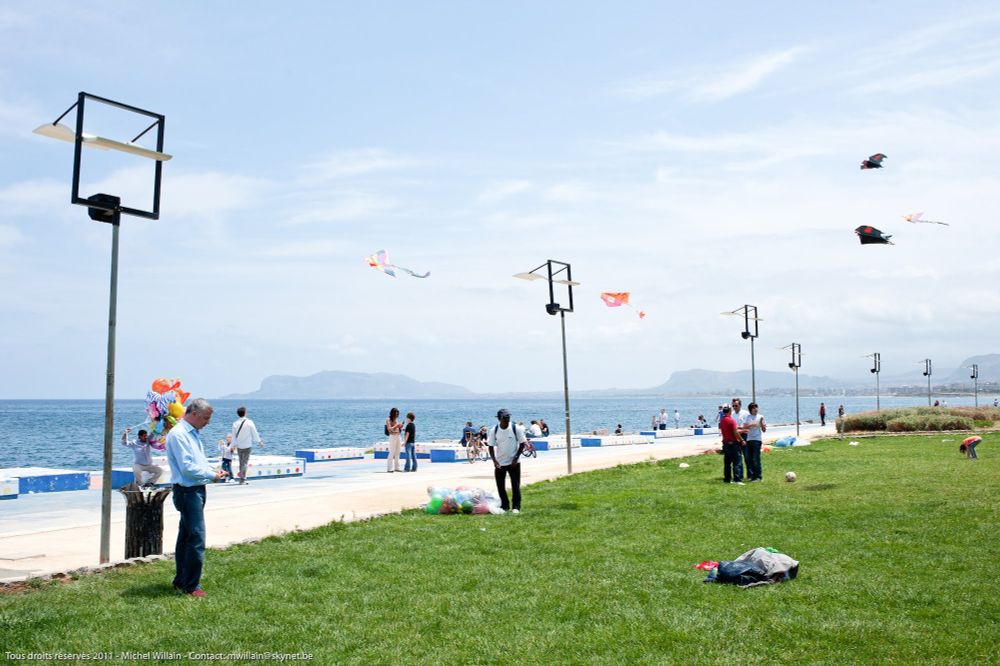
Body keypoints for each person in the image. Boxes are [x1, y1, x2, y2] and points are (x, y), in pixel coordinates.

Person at [166, 398, 227, 597]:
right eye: (205, 418)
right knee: (196, 538)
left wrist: (212, 471)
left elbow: (197, 462)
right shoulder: (179, 435)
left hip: (194, 489)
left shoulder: (192, 434)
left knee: (186, 536)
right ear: (193, 414)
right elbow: (187, 468)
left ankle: (181, 579)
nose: (207, 422)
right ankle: (192, 586)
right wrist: (211, 475)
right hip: (188, 491)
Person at [487, 408, 527, 513]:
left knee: (515, 485)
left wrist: (516, 457)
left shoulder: (515, 428)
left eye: (508, 417)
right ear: (499, 419)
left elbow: (523, 443)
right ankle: (505, 506)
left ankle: (516, 507)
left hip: (514, 463)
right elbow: (490, 446)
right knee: (500, 486)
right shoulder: (494, 430)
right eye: (505, 417)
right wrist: (494, 461)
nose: (507, 419)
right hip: (500, 462)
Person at [232, 406, 264, 485]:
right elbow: (254, 433)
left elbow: (233, 436)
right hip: (247, 445)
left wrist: (233, 445)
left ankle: (241, 478)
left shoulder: (235, 423)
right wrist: (259, 441)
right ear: (245, 413)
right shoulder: (249, 422)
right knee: (245, 462)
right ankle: (242, 479)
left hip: (239, 445)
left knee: (241, 462)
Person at [718, 405, 744, 484]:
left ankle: (727, 479)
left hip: (725, 443)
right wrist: (742, 440)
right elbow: (735, 432)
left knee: (727, 463)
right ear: (729, 412)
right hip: (733, 443)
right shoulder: (731, 420)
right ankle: (737, 479)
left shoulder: (722, 421)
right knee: (737, 462)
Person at [743, 403, 766, 482]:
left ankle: (758, 477)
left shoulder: (760, 417)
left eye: (756, 407)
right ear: (750, 410)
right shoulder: (748, 417)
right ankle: (752, 476)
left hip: (757, 440)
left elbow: (764, 430)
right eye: (753, 408)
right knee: (749, 459)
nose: (755, 409)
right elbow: (744, 427)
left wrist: (761, 423)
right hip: (749, 440)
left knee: (756, 458)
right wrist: (750, 425)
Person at [385, 408, 402, 472]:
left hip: (398, 436)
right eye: (396, 413)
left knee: (398, 452)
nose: (397, 414)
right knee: (392, 452)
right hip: (392, 436)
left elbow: (397, 428)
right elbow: (389, 429)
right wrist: (396, 425)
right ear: (393, 413)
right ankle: (389, 468)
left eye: (398, 413)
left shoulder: (396, 420)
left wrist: (400, 426)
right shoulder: (388, 420)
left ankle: (397, 467)